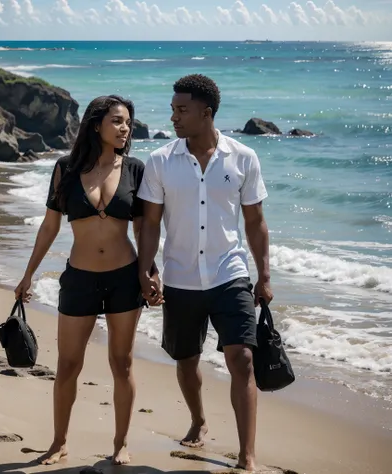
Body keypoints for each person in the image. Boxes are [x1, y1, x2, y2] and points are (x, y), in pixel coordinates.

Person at [137, 74, 273, 472]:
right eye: (173, 109)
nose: (173, 116)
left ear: (206, 113)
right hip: (179, 277)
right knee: (186, 358)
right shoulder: (161, 161)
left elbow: (255, 223)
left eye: (181, 110)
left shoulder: (243, 157)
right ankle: (198, 420)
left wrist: (264, 275)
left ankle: (247, 455)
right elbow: (149, 223)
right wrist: (147, 269)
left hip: (229, 273)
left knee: (243, 358)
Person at [14, 95, 153, 466]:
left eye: (128, 122)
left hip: (124, 278)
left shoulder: (136, 169)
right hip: (79, 279)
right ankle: (59, 442)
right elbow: (50, 225)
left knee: (121, 363)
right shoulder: (66, 168)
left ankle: (121, 443)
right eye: (118, 121)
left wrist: (149, 272)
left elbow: (143, 228)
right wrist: (28, 274)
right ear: (96, 124)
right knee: (68, 365)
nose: (126, 128)